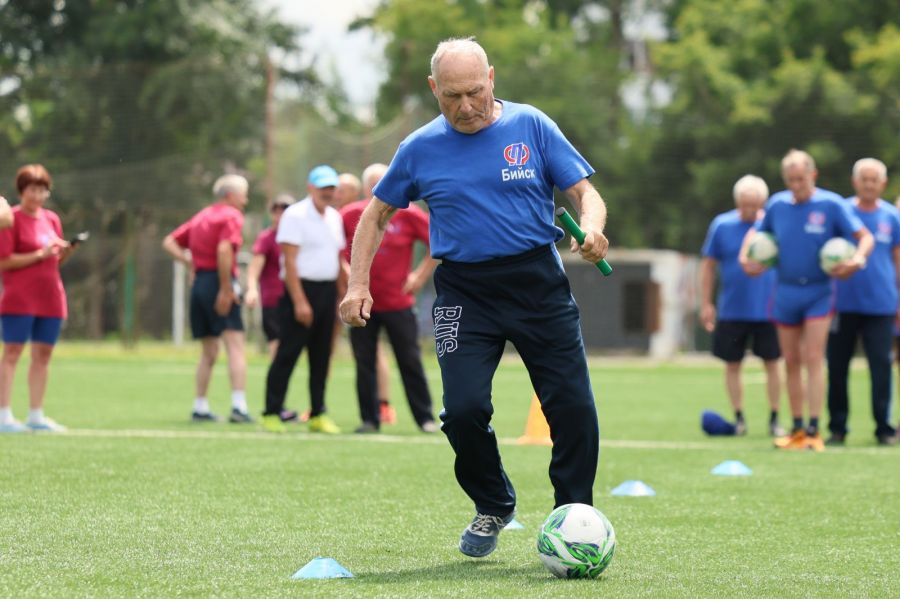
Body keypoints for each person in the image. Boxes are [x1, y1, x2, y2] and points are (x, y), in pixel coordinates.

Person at [340, 38, 607, 558]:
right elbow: (375, 215)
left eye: (474, 93)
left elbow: (584, 193)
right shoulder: (419, 147)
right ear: (433, 89)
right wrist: (357, 284)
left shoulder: (532, 125)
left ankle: (574, 514)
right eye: (452, 97)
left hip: (537, 283)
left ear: (491, 79)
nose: (465, 107)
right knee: (461, 411)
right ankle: (493, 503)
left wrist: (593, 228)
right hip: (464, 291)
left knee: (572, 406)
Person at [741, 149, 873, 452]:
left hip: (819, 292)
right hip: (785, 292)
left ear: (813, 175)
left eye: (801, 179)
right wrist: (745, 259)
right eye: (790, 180)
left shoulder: (831, 204)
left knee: (813, 357)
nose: (796, 185)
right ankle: (797, 428)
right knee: (791, 360)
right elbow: (756, 236)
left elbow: (865, 237)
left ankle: (814, 428)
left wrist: (857, 260)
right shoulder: (777, 205)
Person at [341, 162, 439, 434]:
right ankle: (369, 419)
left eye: (383, 182)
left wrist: (419, 276)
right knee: (365, 362)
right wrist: (349, 277)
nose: (379, 188)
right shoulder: (350, 215)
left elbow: (436, 241)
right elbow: (335, 249)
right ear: (365, 188)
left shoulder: (409, 213)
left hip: (398, 302)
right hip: (363, 304)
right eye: (373, 184)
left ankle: (425, 418)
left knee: (410, 359)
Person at [261, 165, 346, 434]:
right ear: (311, 188)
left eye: (331, 187)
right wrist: (299, 301)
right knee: (287, 354)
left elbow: (337, 259)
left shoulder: (334, 217)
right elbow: (289, 262)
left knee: (321, 357)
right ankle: (271, 412)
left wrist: (343, 295)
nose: (327, 192)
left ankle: (317, 413)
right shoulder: (295, 215)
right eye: (323, 187)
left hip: (327, 292)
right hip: (299, 292)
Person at [162, 174, 253, 424]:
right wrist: (225, 288)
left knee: (209, 350)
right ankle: (239, 407)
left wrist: (190, 263)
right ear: (230, 195)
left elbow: (169, 242)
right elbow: (224, 250)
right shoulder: (231, 216)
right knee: (235, 345)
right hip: (219, 281)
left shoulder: (202, 216)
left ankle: (200, 407)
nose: (245, 201)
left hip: (200, 283)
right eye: (243, 195)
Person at [700, 175, 784, 437]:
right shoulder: (722, 225)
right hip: (732, 309)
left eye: (755, 204)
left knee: (773, 362)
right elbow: (708, 266)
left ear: (763, 202)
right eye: (745, 204)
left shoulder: (773, 226)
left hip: (770, 309)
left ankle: (775, 419)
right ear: (737, 202)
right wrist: (706, 303)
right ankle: (739, 419)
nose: (749, 210)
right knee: (732, 364)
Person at [826, 159, 899, 446]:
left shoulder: (892, 217)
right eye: (864, 179)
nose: (869, 184)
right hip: (842, 304)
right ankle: (837, 427)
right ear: (855, 181)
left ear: (883, 183)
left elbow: (898, 260)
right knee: (837, 366)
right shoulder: (842, 211)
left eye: (874, 179)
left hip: (881, 304)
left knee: (881, 366)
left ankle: (884, 428)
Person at [0, 164, 77, 433]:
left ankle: (36, 415)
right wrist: (39, 255)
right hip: (20, 297)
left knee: (43, 355)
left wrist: (64, 252)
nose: (38, 195)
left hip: (50, 297)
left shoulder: (51, 219)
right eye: (32, 189)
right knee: (12, 353)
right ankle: (4, 416)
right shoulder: (9, 218)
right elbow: (3, 261)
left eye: (43, 190)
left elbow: (54, 260)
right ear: (22, 191)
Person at [245, 193, 295, 360]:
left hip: (296, 298)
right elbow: (255, 266)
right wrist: (252, 289)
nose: (280, 216)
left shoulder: (298, 237)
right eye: (276, 211)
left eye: (284, 211)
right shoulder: (267, 238)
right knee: (276, 344)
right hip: (274, 299)